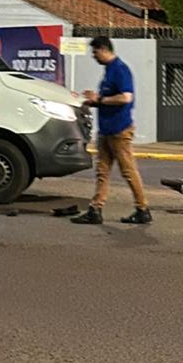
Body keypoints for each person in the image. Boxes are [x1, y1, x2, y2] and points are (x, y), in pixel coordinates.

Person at [72, 36, 151, 225]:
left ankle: (143, 209)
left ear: (104, 49)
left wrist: (99, 100)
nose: (93, 56)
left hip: (119, 130)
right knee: (102, 171)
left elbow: (125, 98)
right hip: (106, 130)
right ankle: (95, 209)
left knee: (128, 170)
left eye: (95, 52)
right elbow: (108, 97)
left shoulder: (120, 70)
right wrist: (92, 100)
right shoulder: (109, 71)